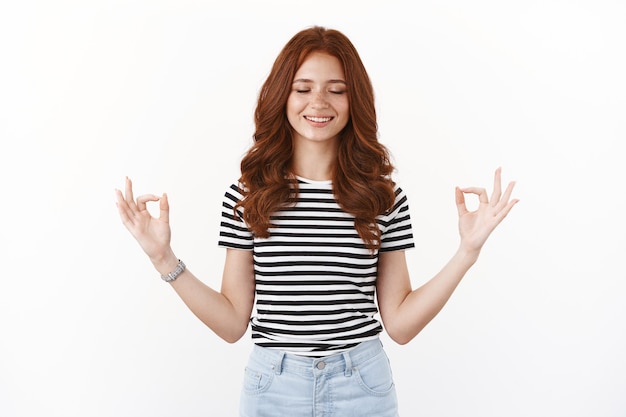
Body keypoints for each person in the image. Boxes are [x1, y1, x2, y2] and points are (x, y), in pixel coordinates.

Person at [115, 26, 518, 417]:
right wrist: (163, 257)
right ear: (281, 96)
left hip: (362, 387)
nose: (319, 102)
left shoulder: (383, 198)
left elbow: (400, 324)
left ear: (353, 99)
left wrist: (467, 251)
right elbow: (232, 321)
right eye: (303, 89)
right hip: (274, 388)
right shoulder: (247, 196)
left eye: (336, 90)